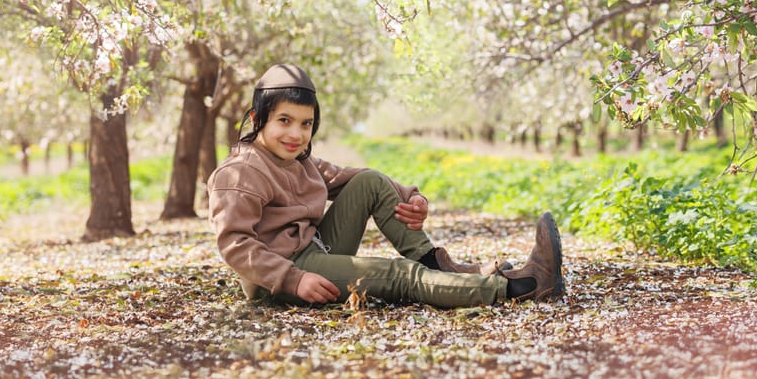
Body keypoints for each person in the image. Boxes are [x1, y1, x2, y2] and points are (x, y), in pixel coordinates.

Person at [207, 63, 565, 308]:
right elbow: (235, 244)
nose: (296, 134)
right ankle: (521, 287)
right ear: (257, 119)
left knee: (370, 182)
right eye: (284, 120)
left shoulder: (298, 161)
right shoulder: (239, 174)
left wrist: (412, 196)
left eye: (305, 124)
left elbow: (355, 178)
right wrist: (292, 279)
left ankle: (438, 268)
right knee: (399, 275)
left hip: (311, 253)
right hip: (277, 279)